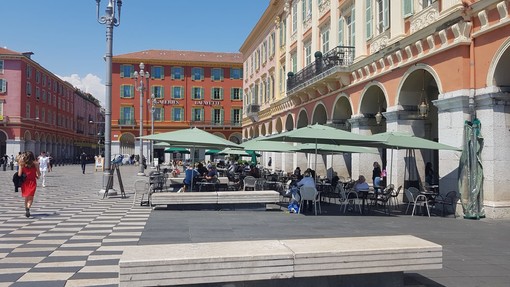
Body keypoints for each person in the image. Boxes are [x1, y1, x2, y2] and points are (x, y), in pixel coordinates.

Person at [18, 151, 40, 218]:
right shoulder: (36, 164)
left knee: (26, 197)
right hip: (32, 182)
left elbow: (19, 174)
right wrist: (36, 175)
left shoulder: (21, 164)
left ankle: (26, 209)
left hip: (25, 182)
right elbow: (39, 174)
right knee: (31, 197)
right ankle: (28, 208)